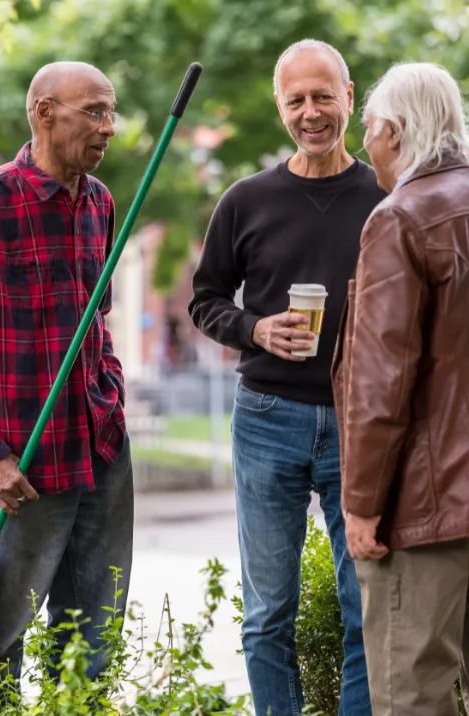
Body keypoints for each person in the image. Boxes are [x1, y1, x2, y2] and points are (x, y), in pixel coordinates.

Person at [188, 39, 386, 716]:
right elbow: (205, 299)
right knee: (268, 610)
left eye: (323, 96)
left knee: (365, 605)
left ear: (349, 97)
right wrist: (254, 329)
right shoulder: (247, 200)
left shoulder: (385, 197)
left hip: (360, 423)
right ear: (279, 105)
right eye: (296, 99)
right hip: (268, 417)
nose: (311, 112)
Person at [0, 61, 133, 714]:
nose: (109, 127)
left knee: (92, 637)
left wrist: (112, 399)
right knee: (0, 642)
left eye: (111, 113)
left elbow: (95, 322)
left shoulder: (100, 204)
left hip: (98, 450)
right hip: (18, 465)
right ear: (45, 113)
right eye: (94, 112)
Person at [332, 61, 469, 715]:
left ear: (394, 130)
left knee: (411, 697)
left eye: (368, 128)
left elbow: (381, 381)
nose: (364, 145)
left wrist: (360, 507)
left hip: (427, 511)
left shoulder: (400, 218)